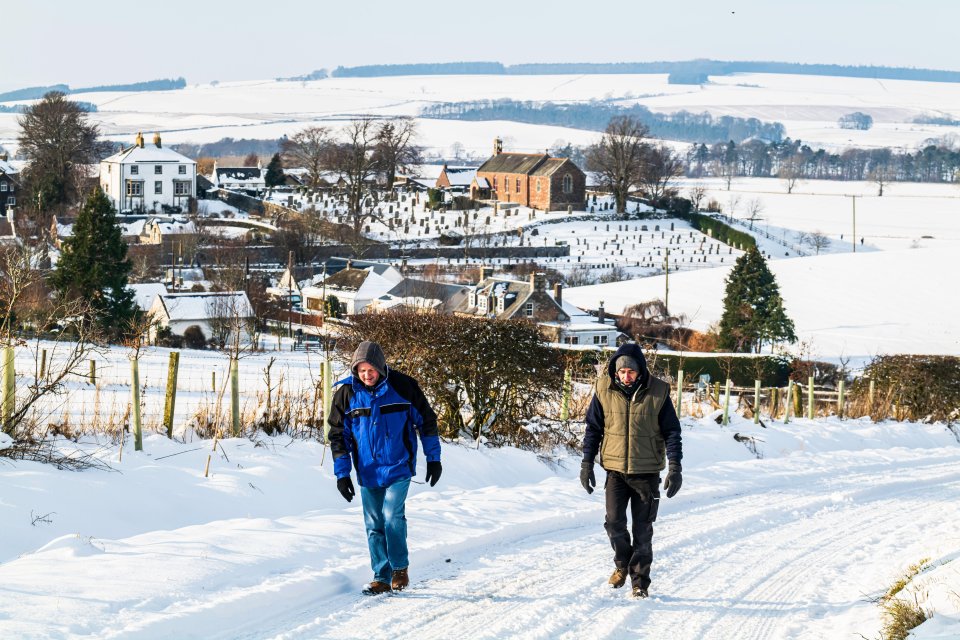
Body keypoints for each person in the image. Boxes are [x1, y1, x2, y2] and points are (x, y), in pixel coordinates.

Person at [328, 341, 442, 595]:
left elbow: (427, 422)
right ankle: (381, 575)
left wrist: (433, 459)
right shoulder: (346, 394)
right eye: (361, 371)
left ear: (380, 367)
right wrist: (342, 474)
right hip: (368, 470)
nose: (366, 375)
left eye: (371, 370)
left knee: (391, 516)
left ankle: (400, 569)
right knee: (374, 523)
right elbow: (338, 436)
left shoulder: (403, 387)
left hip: (398, 466)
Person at [580, 343, 683, 599]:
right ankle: (622, 565)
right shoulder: (603, 390)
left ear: (640, 372)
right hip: (615, 471)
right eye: (622, 371)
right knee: (614, 523)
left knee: (642, 530)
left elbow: (672, 432)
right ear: (615, 371)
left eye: (631, 372)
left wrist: (675, 467)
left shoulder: (658, 392)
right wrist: (586, 463)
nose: (626, 376)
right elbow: (593, 429)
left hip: (646, 473)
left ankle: (640, 583)